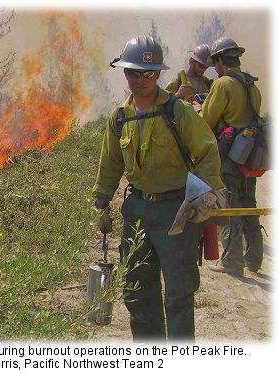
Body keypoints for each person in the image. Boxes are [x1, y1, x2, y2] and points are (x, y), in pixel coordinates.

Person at [92, 35, 224, 341]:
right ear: (124, 72)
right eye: (133, 72)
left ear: (159, 74)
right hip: (137, 212)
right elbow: (110, 165)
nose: (141, 80)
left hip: (175, 211)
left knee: (178, 294)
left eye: (148, 73)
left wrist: (202, 194)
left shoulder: (176, 111)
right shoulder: (120, 118)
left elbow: (207, 151)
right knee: (138, 293)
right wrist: (99, 204)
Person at [195, 37, 264, 276]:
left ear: (220, 60)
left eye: (215, 63)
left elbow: (206, 121)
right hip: (249, 154)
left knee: (229, 205)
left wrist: (197, 108)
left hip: (230, 157)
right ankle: (254, 259)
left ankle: (232, 260)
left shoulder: (223, 84)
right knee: (248, 204)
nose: (215, 68)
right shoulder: (251, 84)